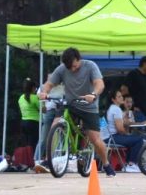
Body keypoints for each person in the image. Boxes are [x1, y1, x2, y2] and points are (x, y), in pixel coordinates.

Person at [38, 47, 114, 176]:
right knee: (55, 125)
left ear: (79, 59)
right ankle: (49, 159)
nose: (72, 69)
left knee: (95, 139)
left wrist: (94, 94)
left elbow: (99, 84)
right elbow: (49, 84)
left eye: (74, 66)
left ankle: (106, 163)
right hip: (70, 104)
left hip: (88, 106)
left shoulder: (90, 66)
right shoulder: (62, 69)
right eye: (69, 68)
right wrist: (44, 92)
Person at [104, 88, 145, 171]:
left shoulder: (111, 108)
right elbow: (120, 129)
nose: (121, 98)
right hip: (113, 137)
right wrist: (127, 135)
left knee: (132, 140)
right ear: (113, 99)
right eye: (119, 97)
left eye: (121, 96)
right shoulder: (116, 109)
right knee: (139, 139)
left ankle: (127, 164)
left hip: (107, 138)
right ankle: (131, 164)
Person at [17, 78, 40, 155]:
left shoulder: (21, 98)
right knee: (33, 143)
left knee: (25, 144)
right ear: (33, 88)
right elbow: (43, 110)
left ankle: (26, 160)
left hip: (23, 122)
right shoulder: (35, 97)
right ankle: (32, 161)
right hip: (33, 123)